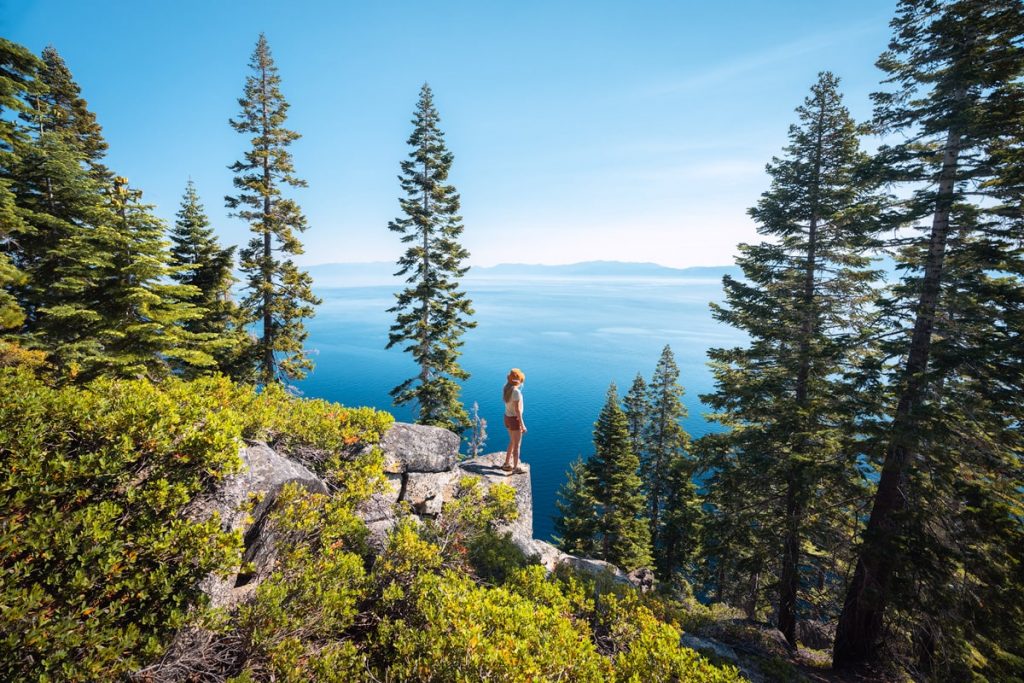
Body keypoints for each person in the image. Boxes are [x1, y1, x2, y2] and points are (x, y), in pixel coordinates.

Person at [501, 368, 527, 474]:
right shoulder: (516, 392)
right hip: (514, 420)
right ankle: (516, 468)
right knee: (517, 445)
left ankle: (507, 464)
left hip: (507, 417)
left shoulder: (506, 388)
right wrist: (522, 424)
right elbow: (518, 410)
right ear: (519, 381)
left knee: (512, 441)